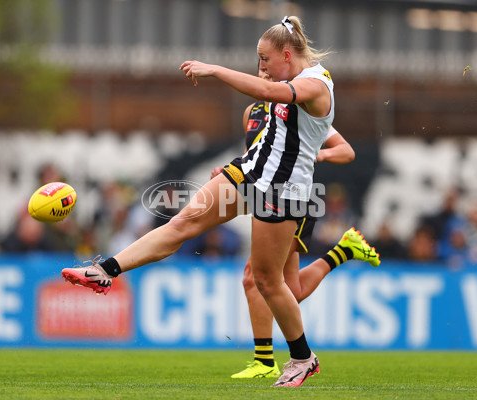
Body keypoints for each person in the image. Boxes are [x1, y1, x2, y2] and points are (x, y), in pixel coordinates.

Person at [62, 16, 346, 387]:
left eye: (264, 59)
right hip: (248, 172)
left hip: (283, 189)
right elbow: (270, 124)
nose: (260, 67)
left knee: (266, 280)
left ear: (287, 55)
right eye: (258, 59)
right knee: (181, 224)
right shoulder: (286, 77)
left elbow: (271, 97)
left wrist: (214, 69)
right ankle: (105, 271)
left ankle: (303, 358)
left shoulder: (315, 84)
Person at [215, 65, 380, 379]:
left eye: (269, 73)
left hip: (296, 199)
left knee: (256, 277)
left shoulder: (298, 110)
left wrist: (319, 155)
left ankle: (264, 362)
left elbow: (346, 151)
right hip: (265, 195)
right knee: (287, 288)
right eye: (260, 72)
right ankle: (343, 251)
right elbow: (256, 155)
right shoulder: (252, 112)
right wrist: (229, 174)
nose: (263, 77)